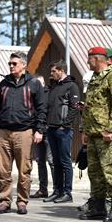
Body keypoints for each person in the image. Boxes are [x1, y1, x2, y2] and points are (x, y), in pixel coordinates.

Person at [0, 51, 46, 215]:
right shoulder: (3, 83)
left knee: (24, 170)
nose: (11, 66)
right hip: (4, 132)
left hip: (25, 132)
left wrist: (39, 130)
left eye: (14, 63)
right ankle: (5, 201)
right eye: (10, 64)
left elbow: (42, 109)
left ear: (24, 65)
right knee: (3, 170)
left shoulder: (34, 83)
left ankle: (22, 202)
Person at [79, 47, 112, 222]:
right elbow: (90, 107)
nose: (87, 62)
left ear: (99, 59)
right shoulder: (95, 78)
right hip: (93, 133)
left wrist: (110, 129)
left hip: (107, 134)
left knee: (110, 171)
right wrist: (85, 130)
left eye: (90, 58)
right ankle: (98, 207)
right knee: (95, 173)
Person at [43, 60, 80, 203]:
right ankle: (57, 191)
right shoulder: (54, 87)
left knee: (65, 161)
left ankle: (67, 192)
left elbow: (75, 107)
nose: (51, 74)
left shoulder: (72, 86)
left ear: (61, 70)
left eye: (53, 71)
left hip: (63, 130)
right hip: (51, 129)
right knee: (55, 162)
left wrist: (65, 124)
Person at [30, 75, 55, 199]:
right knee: (40, 160)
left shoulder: (49, 93)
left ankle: (57, 190)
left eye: (40, 84)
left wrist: (42, 128)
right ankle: (42, 189)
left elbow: (47, 111)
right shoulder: (32, 94)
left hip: (47, 130)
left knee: (51, 160)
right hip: (36, 131)